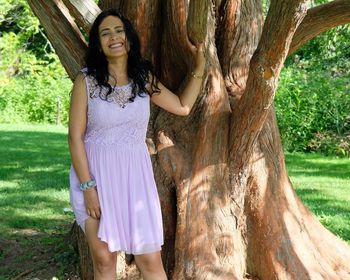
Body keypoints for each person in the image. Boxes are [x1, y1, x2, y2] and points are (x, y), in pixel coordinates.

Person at [68, 9, 205, 280]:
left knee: (150, 260)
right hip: (95, 178)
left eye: (119, 31)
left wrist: (199, 69)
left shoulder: (144, 80)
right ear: (98, 44)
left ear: (129, 40)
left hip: (135, 181)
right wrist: (88, 189)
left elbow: (182, 106)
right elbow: (74, 137)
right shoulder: (86, 82)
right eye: (105, 33)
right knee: (104, 260)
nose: (113, 37)